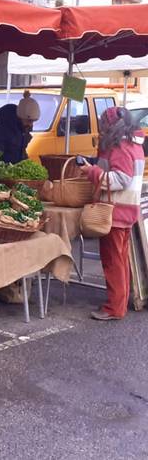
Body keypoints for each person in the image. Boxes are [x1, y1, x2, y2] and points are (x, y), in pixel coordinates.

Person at [79, 107, 145, 321]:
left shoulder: (121, 146)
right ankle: (119, 302)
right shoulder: (133, 144)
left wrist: (93, 172)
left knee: (113, 261)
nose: (101, 126)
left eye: (103, 122)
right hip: (126, 210)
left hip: (115, 212)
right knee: (119, 259)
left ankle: (114, 308)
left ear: (110, 124)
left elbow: (120, 179)